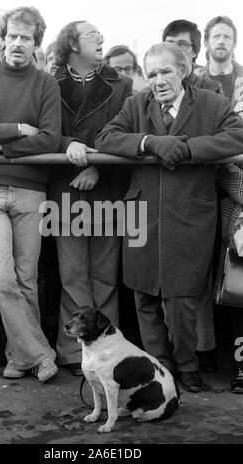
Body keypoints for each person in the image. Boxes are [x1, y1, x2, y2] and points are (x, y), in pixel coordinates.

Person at [96, 42, 243, 392]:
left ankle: (187, 364)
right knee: (144, 295)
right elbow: (106, 137)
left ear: (184, 70)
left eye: (165, 71)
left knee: (182, 298)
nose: (158, 80)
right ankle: (158, 365)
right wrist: (149, 142)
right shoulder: (136, 104)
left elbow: (238, 136)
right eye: (152, 74)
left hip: (191, 214)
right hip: (143, 213)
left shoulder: (214, 104)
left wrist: (190, 149)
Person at [0, 6, 61, 382]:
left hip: (31, 190)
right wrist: (20, 128)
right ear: (2, 37)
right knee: (0, 280)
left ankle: (18, 357)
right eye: (13, 36)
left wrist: (1, 147)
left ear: (37, 42)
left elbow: (50, 137)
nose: (18, 43)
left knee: (27, 279)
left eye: (27, 37)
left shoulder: (45, 83)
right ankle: (41, 353)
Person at [49, 20, 132, 376]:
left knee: (104, 276)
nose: (101, 37)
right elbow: (46, 130)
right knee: (71, 274)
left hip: (108, 190)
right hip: (65, 190)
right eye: (91, 34)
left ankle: (110, 353)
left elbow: (128, 133)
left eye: (102, 33)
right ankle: (71, 353)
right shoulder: (49, 84)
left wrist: (99, 166)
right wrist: (71, 146)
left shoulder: (122, 84)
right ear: (71, 42)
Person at [162, 19, 223, 373]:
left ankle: (201, 353)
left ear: (195, 52)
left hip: (204, 189)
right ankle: (179, 356)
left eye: (183, 44)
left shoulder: (209, 88)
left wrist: (184, 148)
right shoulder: (154, 88)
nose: (177, 49)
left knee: (198, 279)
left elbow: (229, 134)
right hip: (164, 197)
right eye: (170, 43)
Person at [199, 15, 243, 392]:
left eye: (229, 36)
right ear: (206, 42)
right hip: (216, 194)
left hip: (235, 196)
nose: (223, 41)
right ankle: (209, 351)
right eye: (217, 36)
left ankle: (237, 362)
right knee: (220, 280)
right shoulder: (197, 81)